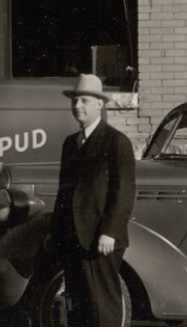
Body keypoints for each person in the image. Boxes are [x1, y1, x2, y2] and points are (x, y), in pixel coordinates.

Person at [50, 73, 136, 326]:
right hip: (73, 241)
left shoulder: (116, 142)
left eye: (84, 100)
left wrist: (110, 232)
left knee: (102, 306)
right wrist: (56, 234)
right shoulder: (70, 144)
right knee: (77, 307)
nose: (78, 105)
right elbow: (64, 193)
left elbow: (124, 192)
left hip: (100, 241)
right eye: (74, 100)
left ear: (100, 104)